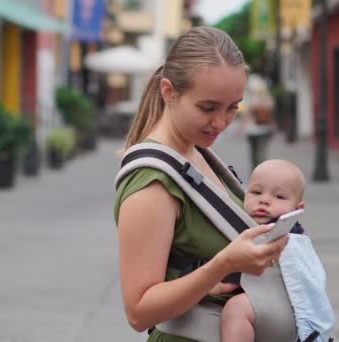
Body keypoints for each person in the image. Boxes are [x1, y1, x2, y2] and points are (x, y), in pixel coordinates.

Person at [114, 26, 290, 341]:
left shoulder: (196, 153)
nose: (221, 122)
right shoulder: (151, 184)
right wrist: (223, 264)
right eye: (207, 108)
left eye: (232, 107)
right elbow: (138, 311)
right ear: (169, 92)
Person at [221, 159, 305, 341]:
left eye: (279, 197)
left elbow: (247, 267)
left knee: (235, 310)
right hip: (275, 305)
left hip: (282, 303)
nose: (264, 200)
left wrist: (218, 284)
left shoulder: (279, 230)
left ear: (298, 209)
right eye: (256, 192)